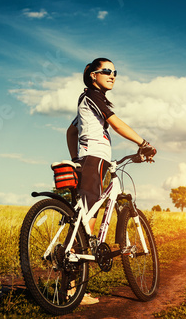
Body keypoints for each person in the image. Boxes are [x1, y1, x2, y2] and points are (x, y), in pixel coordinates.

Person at [66, 57, 156, 234]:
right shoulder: (92, 96)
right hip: (94, 156)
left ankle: (78, 253)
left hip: (92, 158)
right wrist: (143, 143)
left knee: (88, 207)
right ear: (94, 75)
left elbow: (71, 131)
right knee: (90, 208)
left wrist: (76, 159)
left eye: (115, 73)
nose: (112, 76)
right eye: (107, 71)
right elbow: (117, 124)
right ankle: (78, 256)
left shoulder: (90, 101)